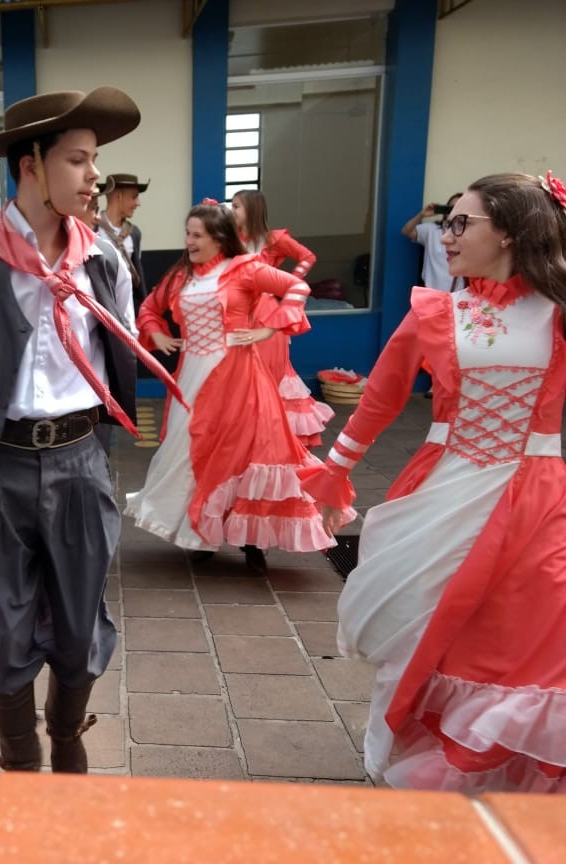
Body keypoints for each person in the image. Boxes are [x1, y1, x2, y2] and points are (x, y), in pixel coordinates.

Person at [0, 87, 184, 774]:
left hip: (80, 460)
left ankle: (66, 734)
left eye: (94, 160)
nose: (94, 176)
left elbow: (116, 340)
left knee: (81, 615)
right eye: (78, 160)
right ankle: (21, 755)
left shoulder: (102, 259)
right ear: (31, 164)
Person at [304, 172, 566, 793]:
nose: (444, 236)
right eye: (447, 224)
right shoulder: (435, 311)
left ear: (509, 232)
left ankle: (507, 768)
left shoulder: (558, 311)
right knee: (426, 624)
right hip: (444, 490)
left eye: (460, 224)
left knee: (527, 631)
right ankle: (436, 757)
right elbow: (380, 399)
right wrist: (334, 470)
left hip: (536, 499)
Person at [125, 200, 340, 573]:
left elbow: (296, 286)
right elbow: (148, 308)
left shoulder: (245, 269)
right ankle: (200, 534)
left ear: (219, 237)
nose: (189, 241)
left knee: (243, 455)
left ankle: (252, 541)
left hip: (240, 376)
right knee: (191, 454)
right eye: (187, 233)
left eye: (197, 235)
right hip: (191, 378)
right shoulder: (181, 275)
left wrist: (269, 328)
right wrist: (156, 333)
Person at [232, 189, 334, 446]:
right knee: (243, 372)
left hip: (265, 311)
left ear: (251, 209)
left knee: (268, 372)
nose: (232, 211)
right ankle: (252, 436)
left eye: (236, 206)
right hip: (241, 311)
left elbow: (307, 257)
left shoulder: (272, 239)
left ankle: (273, 435)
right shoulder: (233, 240)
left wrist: (289, 282)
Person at [97, 173, 148, 303]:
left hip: (126, 304)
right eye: (134, 197)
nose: (138, 203)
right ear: (119, 196)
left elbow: (137, 272)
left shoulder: (134, 233)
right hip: (99, 302)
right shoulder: (92, 229)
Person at [402, 193, 465, 291]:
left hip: (457, 293)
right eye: (451, 208)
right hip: (431, 291)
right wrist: (422, 215)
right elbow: (406, 231)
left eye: (459, 208)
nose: (454, 211)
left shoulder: (468, 233)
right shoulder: (432, 230)